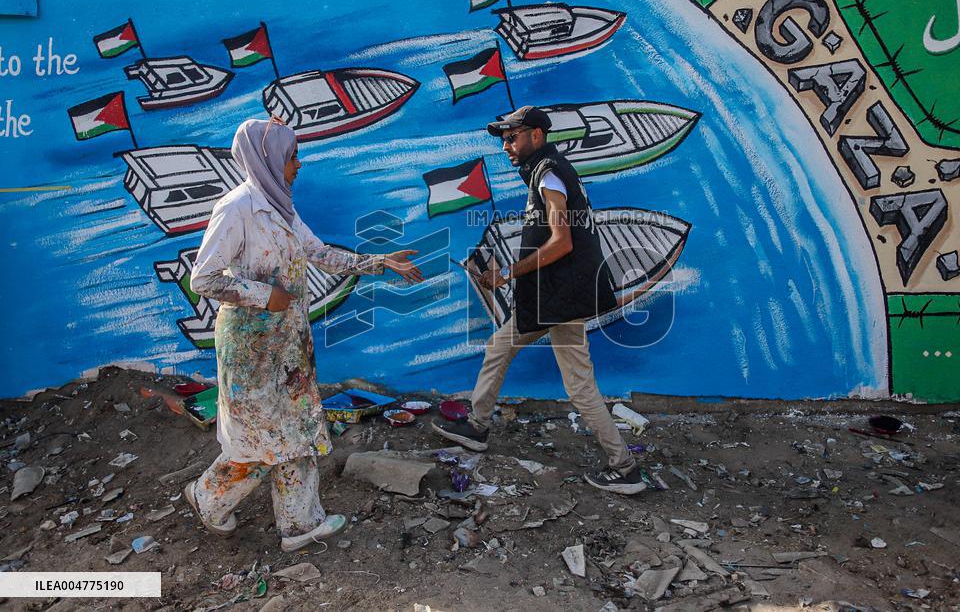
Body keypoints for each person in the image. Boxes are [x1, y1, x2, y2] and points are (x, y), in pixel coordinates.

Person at [185, 117, 422, 551]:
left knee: (295, 430)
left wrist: (378, 262)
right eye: (292, 156)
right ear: (268, 158)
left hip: (288, 343)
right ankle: (209, 498)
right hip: (251, 349)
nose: (299, 164)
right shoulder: (237, 208)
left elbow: (319, 253)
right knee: (260, 438)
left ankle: (298, 523)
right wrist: (262, 295)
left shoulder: (281, 206)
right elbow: (203, 278)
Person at [433, 106, 645, 495]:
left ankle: (624, 467)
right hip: (551, 296)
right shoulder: (544, 172)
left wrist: (508, 273)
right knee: (500, 346)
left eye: (512, 137)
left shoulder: (549, 173)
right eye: (503, 139)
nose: (506, 146)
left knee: (579, 386)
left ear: (536, 135)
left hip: (562, 299)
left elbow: (561, 242)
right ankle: (477, 427)